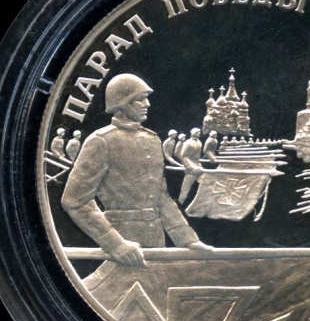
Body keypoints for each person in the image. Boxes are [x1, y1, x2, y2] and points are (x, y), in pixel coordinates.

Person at [62, 74, 211, 269]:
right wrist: (115, 244)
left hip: (156, 243)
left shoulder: (152, 139)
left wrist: (187, 238)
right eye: (140, 99)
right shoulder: (101, 141)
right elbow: (74, 200)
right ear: (123, 103)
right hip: (123, 246)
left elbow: (161, 196)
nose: (147, 104)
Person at [178, 127, 203, 203]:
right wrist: (190, 167)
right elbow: (184, 156)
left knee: (204, 182)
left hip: (198, 165)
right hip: (191, 167)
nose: (199, 133)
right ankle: (180, 202)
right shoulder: (188, 143)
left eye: (199, 132)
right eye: (198, 132)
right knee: (186, 187)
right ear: (194, 133)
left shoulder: (199, 142)